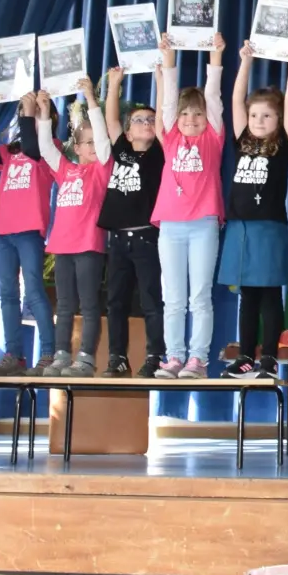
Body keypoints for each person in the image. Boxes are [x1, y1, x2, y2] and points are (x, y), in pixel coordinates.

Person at [221, 40, 288, 379]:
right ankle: (245, 357)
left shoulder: (283, 144)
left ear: (279, 119)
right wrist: (246, 61)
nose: (258, 119)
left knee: (269, 295)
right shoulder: (242, 140)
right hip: (240, 228)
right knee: (247, 296)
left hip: (269, 227)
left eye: (266, 115)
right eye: (255, 115)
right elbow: (237, 99)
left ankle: (268, 357)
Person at [152, 32, 227, 379]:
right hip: (171, 225)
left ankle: (198, 359)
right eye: (186, 114)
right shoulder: (169, 136)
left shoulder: (213, 136)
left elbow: (213, 97)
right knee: (174, 299)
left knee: (200, 296)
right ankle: (174, 357)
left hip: (203, 225)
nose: (191, 119)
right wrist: (168, 58)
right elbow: (167, 101)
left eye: (197, 115)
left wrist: (215, 56)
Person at [34, 84, 112, 377]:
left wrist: (91, 100)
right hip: (62, 246)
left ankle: (86, 358)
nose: (93, 147)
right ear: (76, 148)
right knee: (64, 306)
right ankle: (61, 355)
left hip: (89, 245)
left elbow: (104, 142)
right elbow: (45, 149)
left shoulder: (101, 169)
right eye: (87, 143)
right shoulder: (65, 169)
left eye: (95, 142)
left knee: (90, 305)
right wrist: (43, 113)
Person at [0, 90, 56, 377]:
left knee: (33, 291)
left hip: (28, 232)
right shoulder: (8, 154)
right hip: (3, 231)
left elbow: (35, 147)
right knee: (7, 293)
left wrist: (29, 112)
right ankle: (14, 355)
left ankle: (48, 353)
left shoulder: (48, 149)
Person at [98, 66, 167, 378]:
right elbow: (111, 119)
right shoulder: (122, 149)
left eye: (150, 120)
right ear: (128, 132)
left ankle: (155, 355)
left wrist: (160, 80)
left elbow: (162, 120)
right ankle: (117, 357)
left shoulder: (159, 155)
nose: (146, 123)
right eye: (139, 120)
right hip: (118, 240)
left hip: (146, 238)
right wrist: (114, 84)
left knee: (151, 299)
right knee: (115, 301)